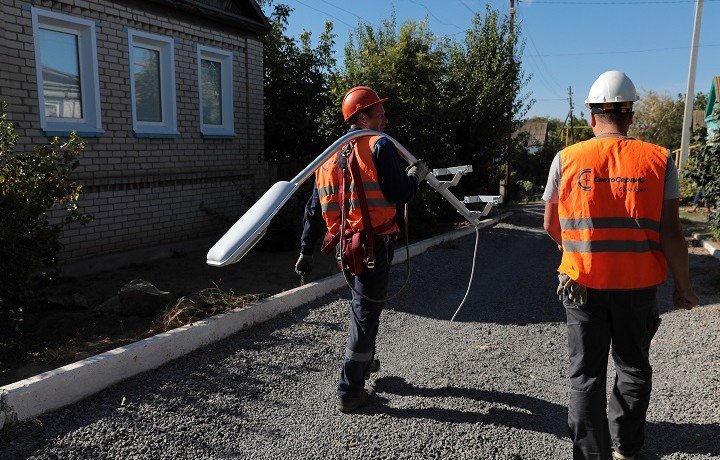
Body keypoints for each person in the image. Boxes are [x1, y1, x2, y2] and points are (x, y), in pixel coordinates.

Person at [542, 70, 699, 460]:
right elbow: (672, 232)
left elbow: (549, 224)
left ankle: (591, 455)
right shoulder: (659, 159)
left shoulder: (566, 158)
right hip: (638, 287)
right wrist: (683, 287)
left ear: (592, 117)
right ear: (630, 116)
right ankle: (628, 448)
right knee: (632, 368)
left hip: (582, 285)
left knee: (585, 377)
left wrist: (581, 250)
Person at [294, 86, 429, 413]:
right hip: (373, 247)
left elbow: (314, 209)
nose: (385, 118)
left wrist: (306, 252)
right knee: (365, 314)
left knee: (365, 310)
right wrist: (416, 177)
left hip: (347, 249)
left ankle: (364, 366)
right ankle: (350, 389)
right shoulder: (379, 146)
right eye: (379, 113)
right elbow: (399, 194)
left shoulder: (328, 157)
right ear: (362, 117)